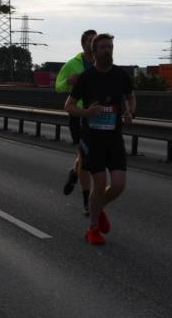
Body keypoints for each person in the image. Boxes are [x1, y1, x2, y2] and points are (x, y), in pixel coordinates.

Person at [65, 34, 136, 245]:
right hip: (92, 138)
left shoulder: (121, 75)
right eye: (103, 47)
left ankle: (98, 207)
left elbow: (130, 96)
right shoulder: (86, 77)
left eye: (110, 47)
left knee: (119, 185)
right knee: (99, 184)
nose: (108, 50)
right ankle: (93, 228)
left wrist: (130, 111)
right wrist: (87, 112)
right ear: (94, 52)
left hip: (114, 137)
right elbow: (68, 105)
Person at [55, 29, 96, 215]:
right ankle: (87, 201)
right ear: (83, 44)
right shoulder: (72, 64)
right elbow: (58, 86)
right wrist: (68, 82)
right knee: (85, 157)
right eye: (90, 41)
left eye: (95, 40)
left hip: (96, 116)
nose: (93, 44)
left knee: (87, 156)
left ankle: (74, 172)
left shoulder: (101, 64)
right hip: (78, 115)